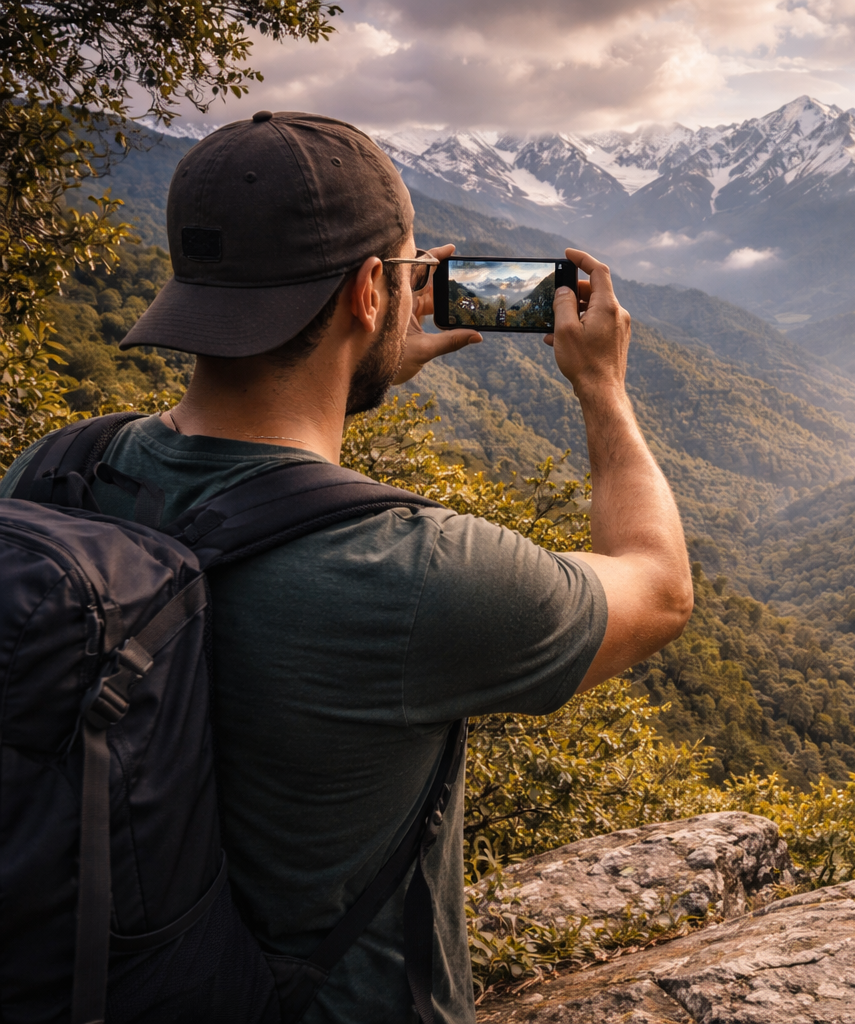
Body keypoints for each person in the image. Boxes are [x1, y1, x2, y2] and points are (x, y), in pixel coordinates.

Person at [0, 111, 693, 1022]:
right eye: (406, 276)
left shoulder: (55, 470)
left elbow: (241, 468)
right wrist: (602, 386)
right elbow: (657, 584)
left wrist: (351, 364)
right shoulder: (416, 573)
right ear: (373, 291)